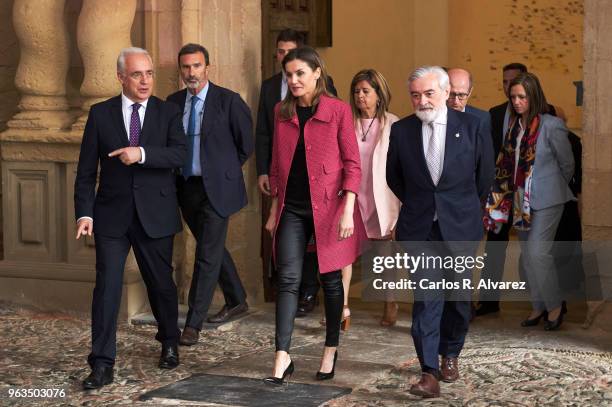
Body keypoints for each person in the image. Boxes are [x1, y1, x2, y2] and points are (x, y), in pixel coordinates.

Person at [75, 47, 187, 390]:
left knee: (161, 285)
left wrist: (140, 154)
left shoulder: (167, 112)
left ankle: (169, 340)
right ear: (121, 77)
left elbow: (180, 154)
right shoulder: (100, 114)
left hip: (156, 212)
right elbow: (84, 173)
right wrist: (84, 212)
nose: (145, 80)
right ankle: (102, 363)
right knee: (107, 288)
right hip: (111, 216)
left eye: (149, 73)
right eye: (137, 74)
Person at [386, 66, 493, 398]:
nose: (422, 100)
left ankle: (451, 353)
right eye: (415, 94)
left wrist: (456, 207)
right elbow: (394, 177)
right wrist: (423, 204)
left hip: (460, 226)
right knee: (426, 299)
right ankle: (428, 372)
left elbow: (484, 176)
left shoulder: (474, 126)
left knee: (458, 298)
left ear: (446, 93)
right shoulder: (402, 130)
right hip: (420, 228)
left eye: (429, 93)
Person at [263, 47, 365, 385]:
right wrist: (275, 210)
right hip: (292, 208)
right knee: (288, 280)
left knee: (331, 282)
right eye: (288, 75)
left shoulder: (338, 110)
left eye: (300, 74)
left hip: (331, 209)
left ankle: (330, 349)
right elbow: (277, 164)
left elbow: (352, 164)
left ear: (317, 73)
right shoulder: (281, 111)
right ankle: (281, 356)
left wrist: (348, 209)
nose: (293, 80)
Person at [167, 43, 253, 345]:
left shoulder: (228, 101)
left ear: (207, 67)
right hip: (186, 187)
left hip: (217, 188)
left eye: (197, 66)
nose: (191, 72)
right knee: (211, 246)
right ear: (181, 70)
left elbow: (246, 144)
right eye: (186, 67)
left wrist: (223, 171)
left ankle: (193, 323)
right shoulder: (173, 102)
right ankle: (237, 299)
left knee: (206, 253)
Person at [255, 28, 337, 315]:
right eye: (279, 51)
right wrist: (263, 170)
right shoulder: (268, 89)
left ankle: (309, 292)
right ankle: (287, 290)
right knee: (286, 237)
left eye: (289, 51)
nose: (283, 56)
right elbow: (265, 133)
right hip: (285, 180)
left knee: (315, 244)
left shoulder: (329, 92)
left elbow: (334, 137)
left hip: (318, 185)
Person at [484, 72, 575, 331]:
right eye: (513, 97)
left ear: (533, 96)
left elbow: (567, 164)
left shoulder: (551, 125)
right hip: (519, 201)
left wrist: (548, 185)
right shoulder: (513, 127)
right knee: (528, 256)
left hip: (548, 199)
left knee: (538, 252)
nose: (516, 102)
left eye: (522, 96)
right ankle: (538, 305)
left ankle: (555, 306)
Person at [348, 69, 400, 328]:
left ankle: (390, 301)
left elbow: (402, 167)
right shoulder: (347, 122)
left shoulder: (393, 123)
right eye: (356, 91)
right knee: (343, 253)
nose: (360, 96)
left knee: (385, 255)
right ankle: (341, 304)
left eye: (366, 91)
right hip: (353, 196)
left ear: (379, 95)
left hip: (382, 195)